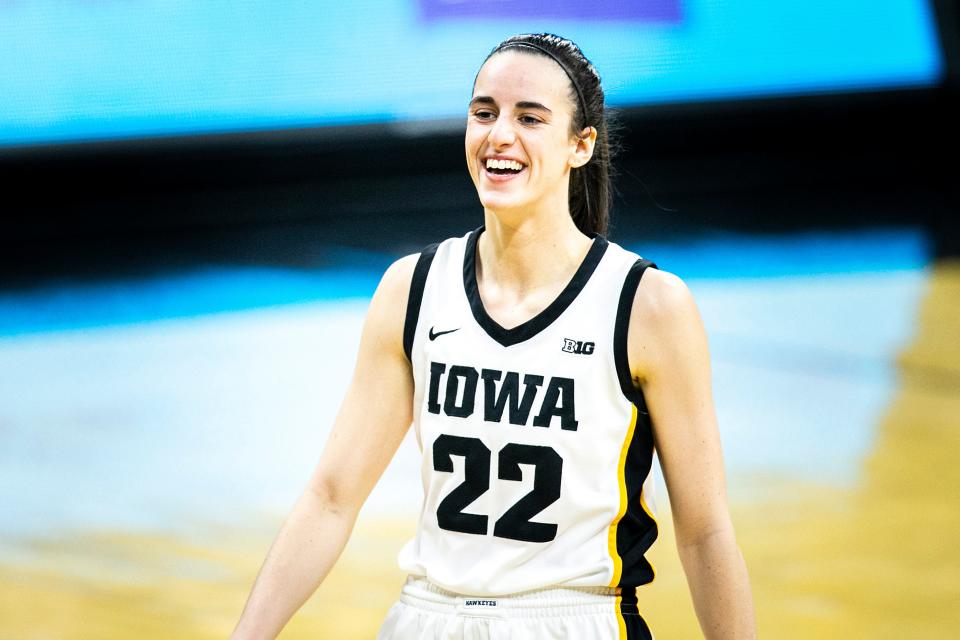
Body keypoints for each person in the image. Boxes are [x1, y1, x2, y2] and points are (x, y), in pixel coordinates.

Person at [231, 33, 756, 640]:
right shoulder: (414, 288)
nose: (499, 135)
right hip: (426, 616)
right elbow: (330, 498)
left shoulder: (647, 305)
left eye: (530, 118)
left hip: (573, 617)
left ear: (580, 145)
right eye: (484, 113)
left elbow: (704, 530)